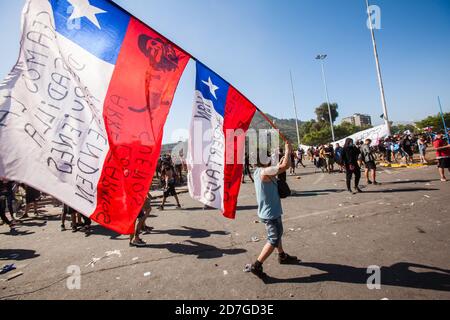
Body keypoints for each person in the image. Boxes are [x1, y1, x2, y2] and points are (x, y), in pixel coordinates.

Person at [250, 141, 298, 279]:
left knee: (278, 233)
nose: (270, 158)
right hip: (270, 213)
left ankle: (282, 255)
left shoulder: (258, 171)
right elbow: (285, 166)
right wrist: (288, 151)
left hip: (269, 211)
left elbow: (277, 166)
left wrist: (280, 156)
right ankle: (257, 265)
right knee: (273, 238)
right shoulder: (265, 172)